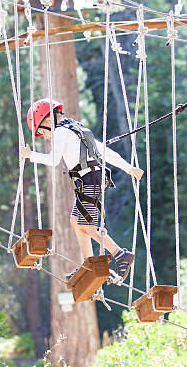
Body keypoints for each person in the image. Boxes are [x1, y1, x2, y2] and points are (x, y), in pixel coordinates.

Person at [20, 98, 144, 281]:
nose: (45, 137)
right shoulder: (79, 130)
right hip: (92, 179)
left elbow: (53, 160)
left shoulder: (61, 132)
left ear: (47, 121)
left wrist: (30, 155)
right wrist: (128, 168)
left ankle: (120, 254)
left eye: (42, 132)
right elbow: (104, 151)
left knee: (85, 225)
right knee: (77, 222)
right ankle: (90, 264)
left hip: (89, 180)